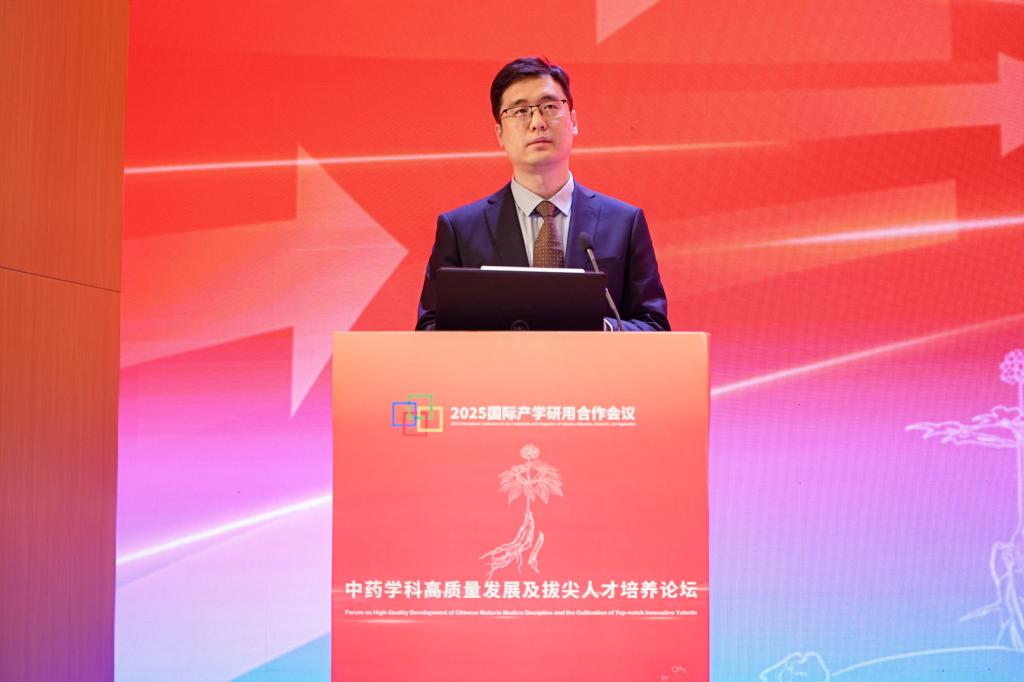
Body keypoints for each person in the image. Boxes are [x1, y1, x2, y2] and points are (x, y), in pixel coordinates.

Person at [415, 56, 669, 331]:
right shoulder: (461, 230)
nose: (537, 122)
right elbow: (430, 327)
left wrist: (601, 328)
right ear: (500, 134)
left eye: (549, 107)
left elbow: (654, 325)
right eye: (520, 111)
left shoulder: (624, 223)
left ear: (573, 121)